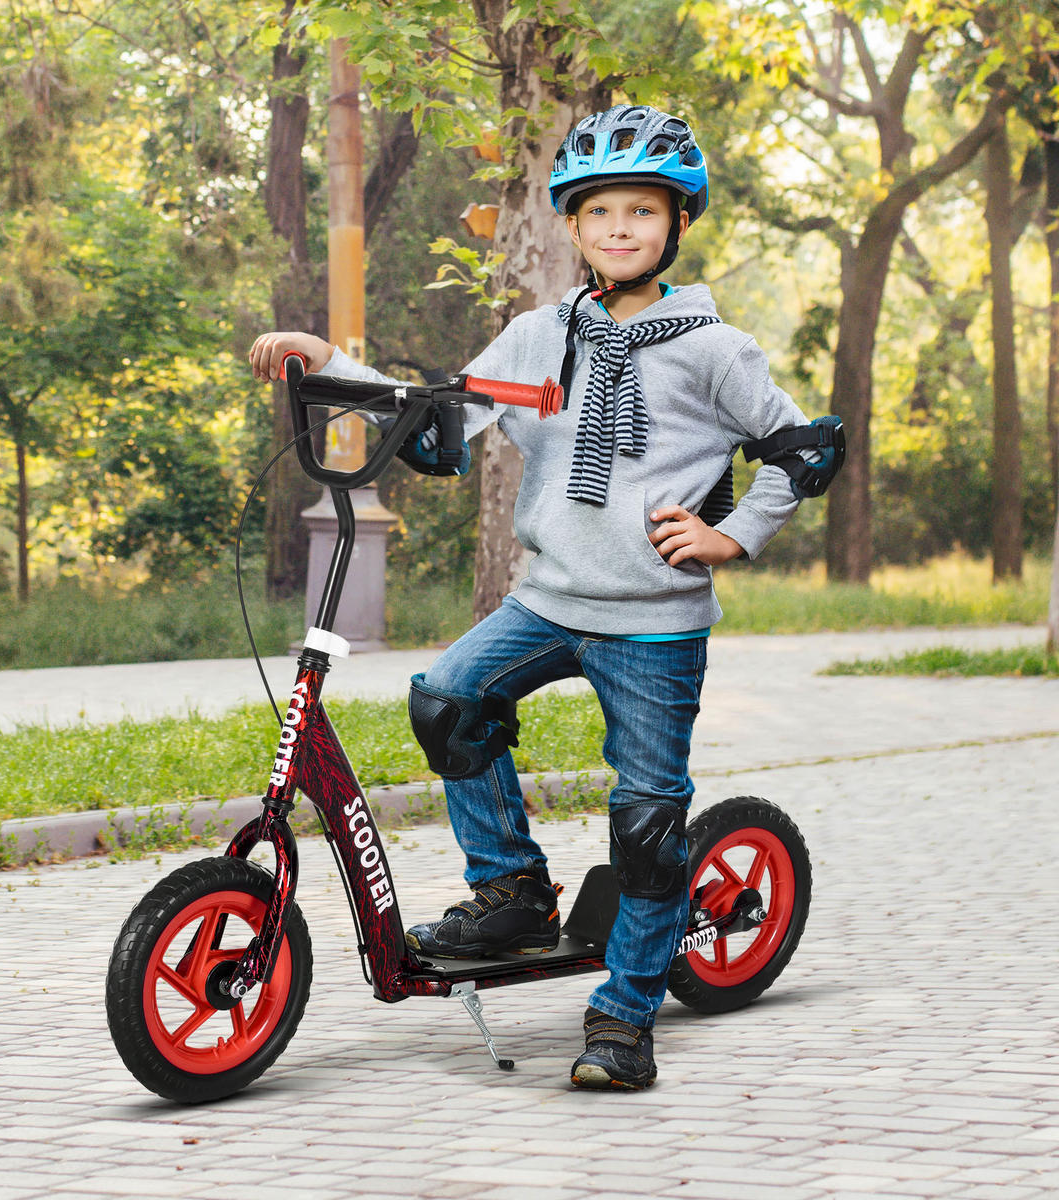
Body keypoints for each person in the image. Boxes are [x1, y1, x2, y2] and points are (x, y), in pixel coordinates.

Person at [250, 104, 840, 1091]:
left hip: (654, 623)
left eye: (641, 210)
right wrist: (329, 360)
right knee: (448, 700)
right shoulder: (538, 336)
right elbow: (441, 417)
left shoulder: (714, 347)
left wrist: (731, 534)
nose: (619, 227)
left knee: (647, 827)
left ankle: (622, 1022)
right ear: (572, 225)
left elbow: (803, 447)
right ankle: (513, 891)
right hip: (549, 600)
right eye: (600, 210)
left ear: (677, 223)